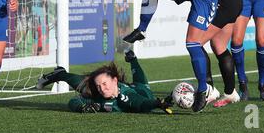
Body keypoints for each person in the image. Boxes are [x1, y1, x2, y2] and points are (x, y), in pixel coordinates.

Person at [36, 50, 174, 114]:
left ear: (115, 81)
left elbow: (142, 103)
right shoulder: (99, 95)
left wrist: (157, 103)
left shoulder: (126, 96)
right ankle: (61, 74)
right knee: (86, 87)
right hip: (133, 93)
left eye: (104, 84)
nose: (101, 89)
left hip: (141, 91)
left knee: (143, 85)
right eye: (99, 86)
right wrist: (82, 108)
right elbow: (73, 102)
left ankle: (133, 59)